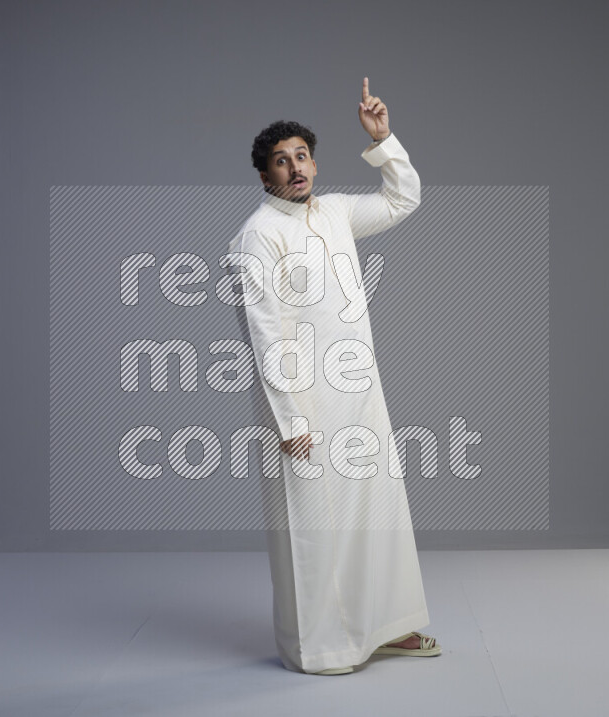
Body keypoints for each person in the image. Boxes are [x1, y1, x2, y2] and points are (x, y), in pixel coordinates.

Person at [227, 78, 440, 675]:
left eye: (302, 156)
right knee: (314, 527)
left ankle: (385, 628)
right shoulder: (256, 236)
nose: (295, 168)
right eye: (281, 161)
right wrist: (291, 418)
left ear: (315, 164)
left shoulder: (337, 212)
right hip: (305, 405)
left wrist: (383, 139)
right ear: (264, 176)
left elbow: (403, 200)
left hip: (360, 396)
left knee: (375, 515)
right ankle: (321, 648)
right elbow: (265, 334)